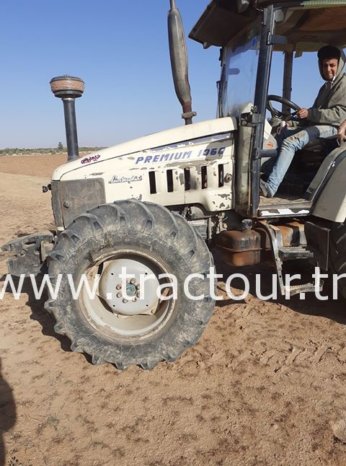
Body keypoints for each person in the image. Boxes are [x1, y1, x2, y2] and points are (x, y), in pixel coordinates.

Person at [260, 45, 346, 198]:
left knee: (290, 142)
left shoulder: (344, 85)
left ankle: (270, 188)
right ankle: (267, 175)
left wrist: (310, 113)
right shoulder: (324, 88)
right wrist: (290, 123)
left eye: (332, 65)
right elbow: (311, 116)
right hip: (320, 126)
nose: (328, 69)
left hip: (335, 129)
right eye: (324, 65)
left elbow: (339, 114)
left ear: (339, 64)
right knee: (282, 133)